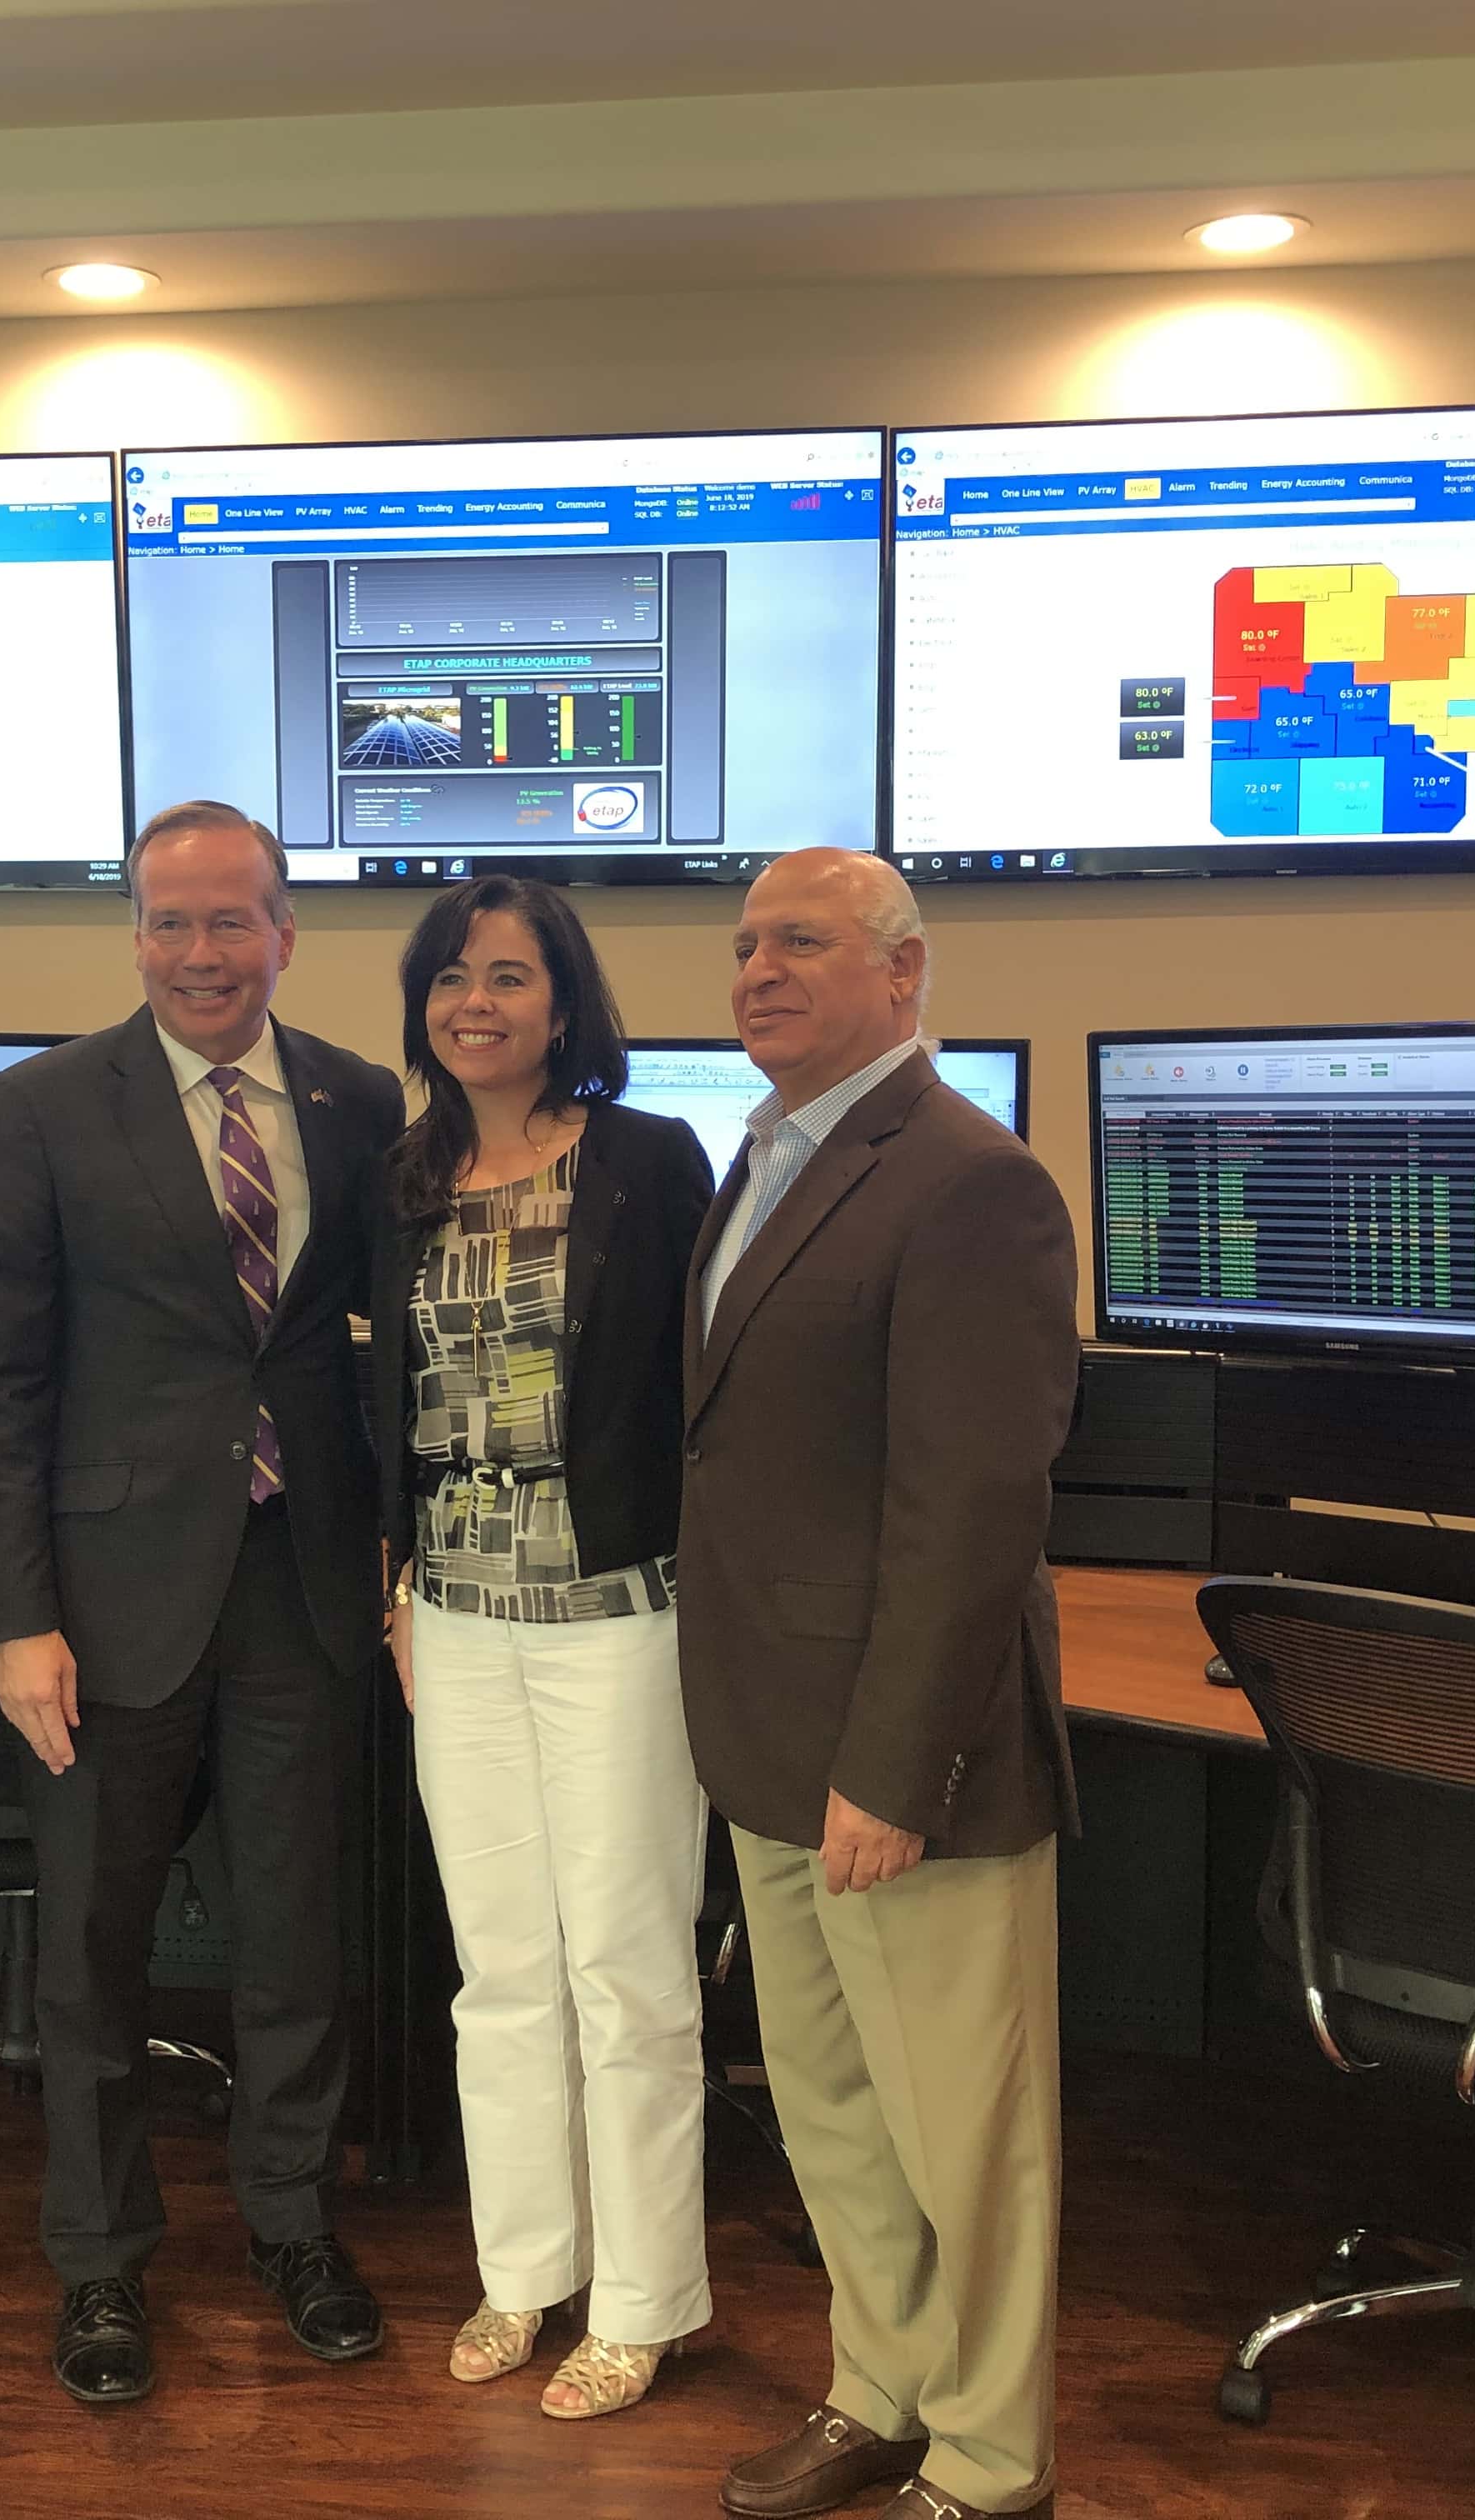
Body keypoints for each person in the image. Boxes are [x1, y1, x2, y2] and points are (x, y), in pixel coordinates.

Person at [0, 800, 405, 2403]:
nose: (200, 952)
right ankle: (99, 2260)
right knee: (93, 1949)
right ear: (135, 934)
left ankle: (292, 2221)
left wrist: (398, 1557)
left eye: (231, 920)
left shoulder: (360, 1100)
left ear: (285, 932)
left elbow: (375, 1352)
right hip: (104, 1597)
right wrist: (17, 1617)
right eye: (169, 921)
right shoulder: (42, 1104)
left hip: (301, 1584)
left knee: (296, 1936)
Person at [678, 850, 1082, 2520]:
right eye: (745, 945)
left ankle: (990, 2463)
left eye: (803, 942)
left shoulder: (973, 1180)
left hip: (903, 1761)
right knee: (833, 2110)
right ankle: (882, 2391)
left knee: (959, 2133)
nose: (759, 971)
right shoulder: (766, 1155)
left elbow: (973, 1509)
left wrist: (896, 1767)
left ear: (905, 974)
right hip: (770, 1734)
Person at [367, 876, 720, 2420]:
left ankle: (644, 2302)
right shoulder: (404, 1177)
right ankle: (523, 2272)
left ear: (563, 1002)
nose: (477, 1004)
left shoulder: (648, 1160)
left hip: (618, 1617)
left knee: (628, 1973)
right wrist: (395, 1586)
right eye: (452, 977)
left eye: (509, 976)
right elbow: (387, 1405)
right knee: (500, 1969)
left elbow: (705, 1389)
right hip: (455, 1618)